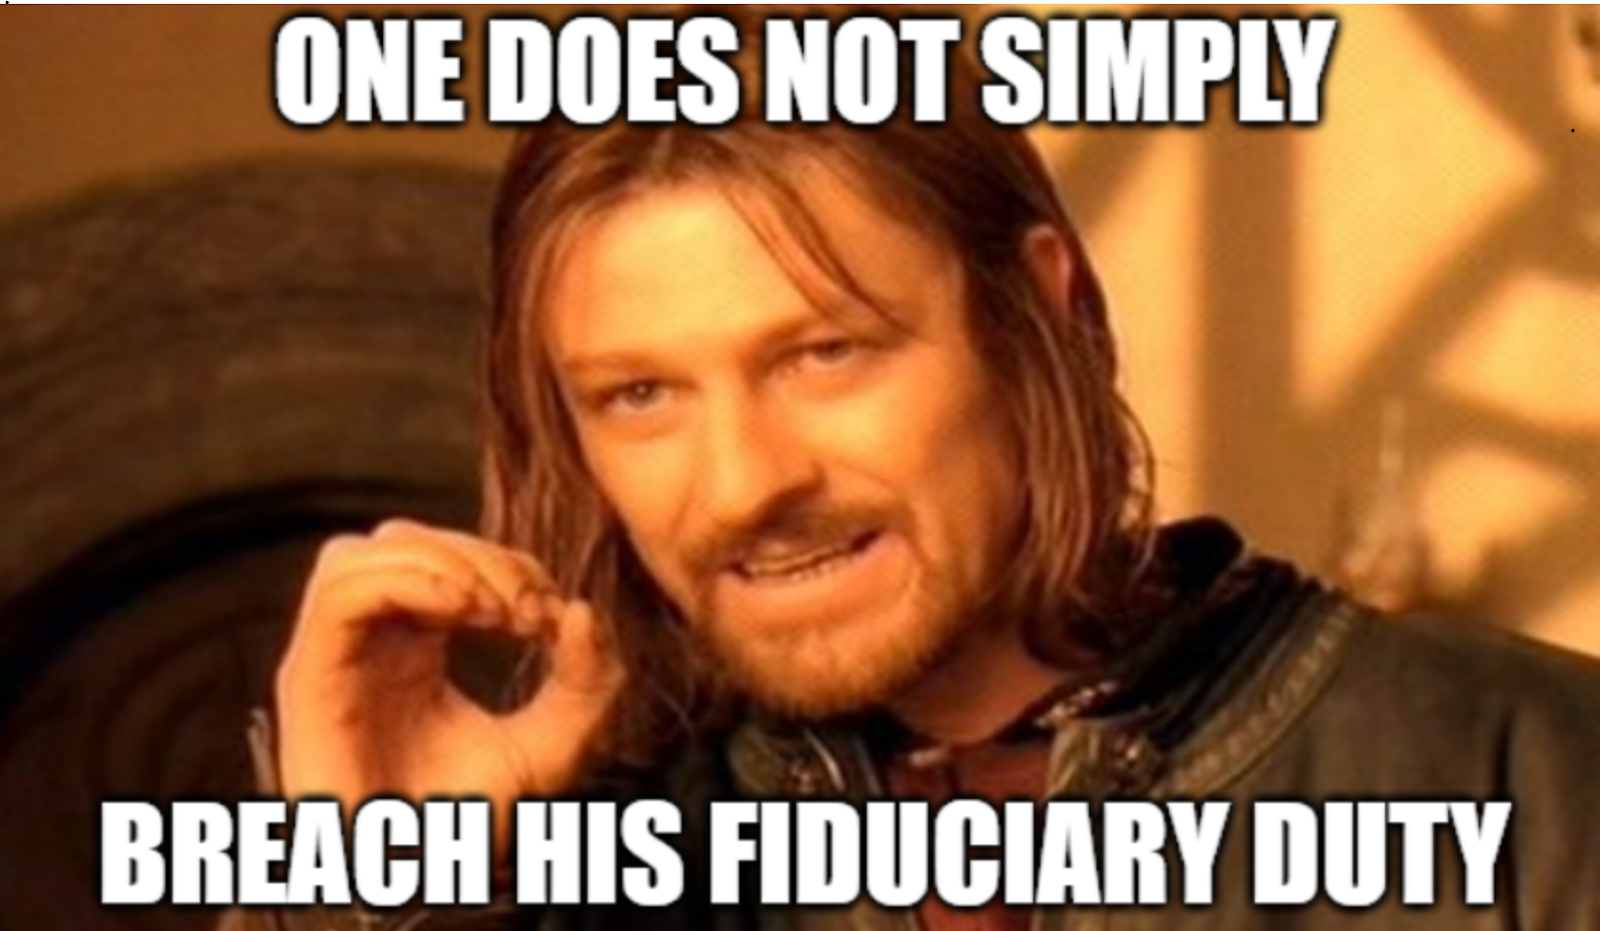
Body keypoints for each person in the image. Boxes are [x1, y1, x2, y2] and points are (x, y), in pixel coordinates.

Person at [242, 7, 1600, 930]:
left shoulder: (1524, 772)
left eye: (823, 352)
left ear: (1043, 314)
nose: (743, 485)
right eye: (640, 394)